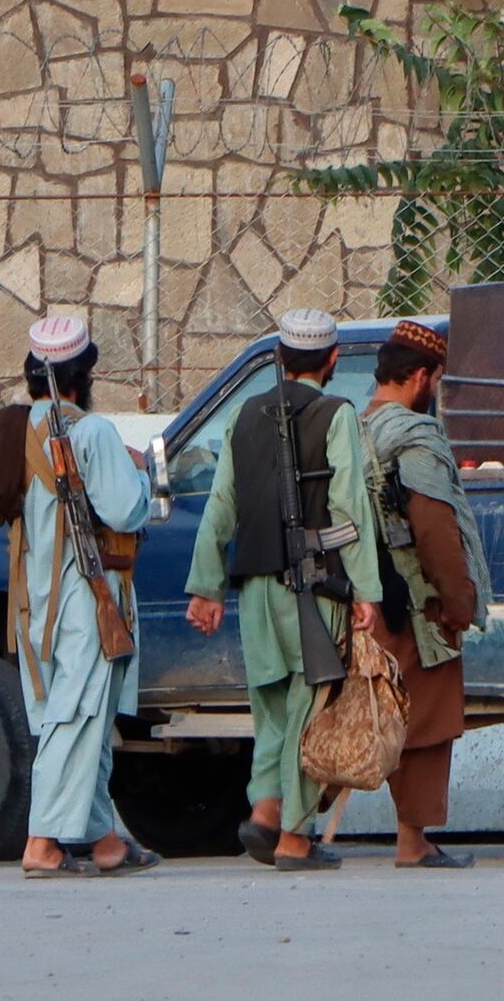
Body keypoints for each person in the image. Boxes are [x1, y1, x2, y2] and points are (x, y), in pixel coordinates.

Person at [185, 308, 384, 871]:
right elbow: (350, 512)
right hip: (315, 590)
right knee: (309, 706)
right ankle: (295, 837)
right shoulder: (335, 414)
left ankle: (267, 811)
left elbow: (220, 506)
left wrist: (206, 586)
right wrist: (367, 591)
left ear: (277, 358)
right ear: (332, 360)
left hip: (254, 594)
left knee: (270, 708)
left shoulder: (244, 415)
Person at [3, 317, 161, 878]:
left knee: (78, 719)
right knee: (76, 717)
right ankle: (43, 843)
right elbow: (126, 511)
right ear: (82, 373)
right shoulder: (92, 433)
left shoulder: (16, 431)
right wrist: (139, 472)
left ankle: (105, 843)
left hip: (33, 602)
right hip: (85, 596)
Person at [362, 320, 492, 869]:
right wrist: (457, 602)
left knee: (377, 712)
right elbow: (434, 527)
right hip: (416, 603)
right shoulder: (415, 440)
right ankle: (412, 842)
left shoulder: (354, 429)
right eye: (436, 379)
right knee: (426, 721)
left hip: (364, 597)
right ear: (420, 378)